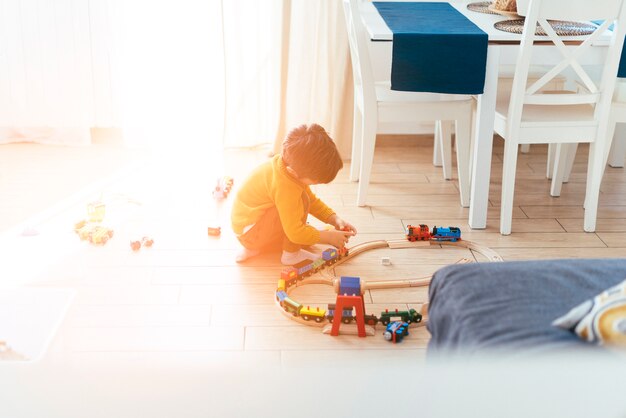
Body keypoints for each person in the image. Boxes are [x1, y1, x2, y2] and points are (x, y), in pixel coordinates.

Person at [231, 123, 357, 265]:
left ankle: (257, 247)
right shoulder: (286, 187)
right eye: (315, 181)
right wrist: (327, 237)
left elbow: (312, 200)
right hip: (251, 234)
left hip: (249, 228)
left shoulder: (288, 166)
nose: (315, 184)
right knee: (301, 205)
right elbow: (295, 232)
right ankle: (291, 254)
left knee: (301, 207)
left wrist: (334, 219)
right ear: (293, 172)